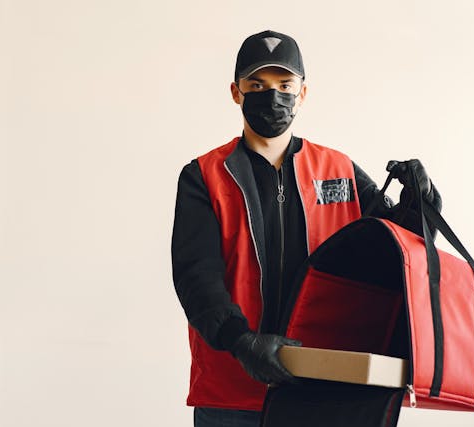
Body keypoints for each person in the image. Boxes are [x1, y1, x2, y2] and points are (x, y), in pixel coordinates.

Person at [171, 30, 442, 427]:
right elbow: (196, 278)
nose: (273, 96)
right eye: (257, 85)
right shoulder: (204, 176)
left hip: (325, 390)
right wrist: (241, 343)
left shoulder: (339, 170)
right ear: (235, 92)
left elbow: (397, 248)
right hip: (233, 395)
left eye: (285, 85)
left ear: (303, 93)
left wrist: (421, 203)